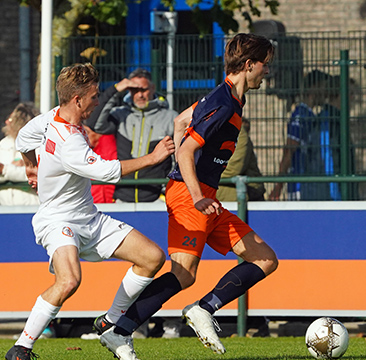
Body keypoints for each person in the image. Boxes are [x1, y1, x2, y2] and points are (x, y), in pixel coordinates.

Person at [92, 33, 278, 359]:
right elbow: (189, 148)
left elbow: (180, 122)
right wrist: (194, 194)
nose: (267, 72)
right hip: (192, 196)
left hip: (201, 195)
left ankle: (202, 310)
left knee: (264, 259)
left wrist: (197, 189)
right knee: (183, 273)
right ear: (249, 65)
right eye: (265, 65)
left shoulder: (227, 97)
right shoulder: (222, 103)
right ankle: (119, 330)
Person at [4, 63, 175, 360]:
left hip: (89, 217)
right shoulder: (70, 142)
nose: (98, 101)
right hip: (57, 220)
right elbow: (108, 171)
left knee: (152, 258)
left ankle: (110, 324)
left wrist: (31, 164)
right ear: (77, 100)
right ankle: (21, 348)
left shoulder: (49, 119)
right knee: (69, 280)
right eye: (94, 96)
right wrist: (153, 157)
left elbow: (23, 139)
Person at [86, 68, 177, 203]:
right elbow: (94, 122)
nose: (139, 95)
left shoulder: (170, 117)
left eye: (144, 89)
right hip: (121, 197)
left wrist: (166, 190)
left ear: (153, 88)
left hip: (157, 199)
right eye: (134, 90)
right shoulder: (120, 114)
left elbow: (178, 159)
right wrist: (116, 89)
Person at [269, 70, 338, 201]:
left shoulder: (311, 116)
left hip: (311, 186)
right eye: (323, 87)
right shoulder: (300, 116)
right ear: (315, 87)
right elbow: (289, 151)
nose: (326, 93)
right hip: (299, 188)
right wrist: (278, 187)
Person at [0, 102, 41, 205]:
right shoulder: (4, 143)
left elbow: (36, 173)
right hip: (6, 207)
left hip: (32, 207)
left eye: (11, 120)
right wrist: (8, 170)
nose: (6, 122)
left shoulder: (38, 143)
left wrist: (4, 170)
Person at [216, 117, 266, 201]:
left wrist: (205, 176)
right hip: (219, 182)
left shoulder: (237, 132)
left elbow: (234, 168)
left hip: (244, 187)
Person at [83, 124, 118, 203]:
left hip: (110, 201)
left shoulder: (107, 143)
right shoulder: (82, 150)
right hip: (92, 203)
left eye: (86, 132)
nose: (83, 136)